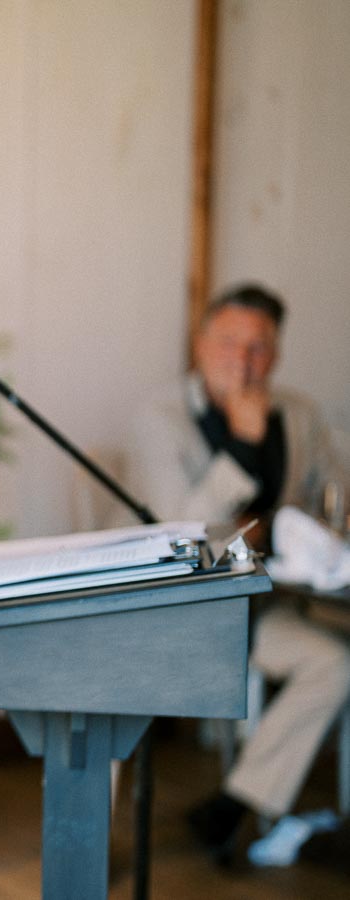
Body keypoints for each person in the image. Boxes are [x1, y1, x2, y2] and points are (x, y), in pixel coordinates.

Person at [126, 283, 350, 863]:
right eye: (229, 342)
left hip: (269, 603)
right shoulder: (160, 417)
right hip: (185, 612)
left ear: (275, 355)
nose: (243, 361)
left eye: (259, 348)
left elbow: (332, 504)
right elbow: (185, 538)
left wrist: (276, 530)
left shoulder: (299, 415)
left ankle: (239, 800)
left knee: (335, 663)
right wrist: (247, 445)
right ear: (201, 344)